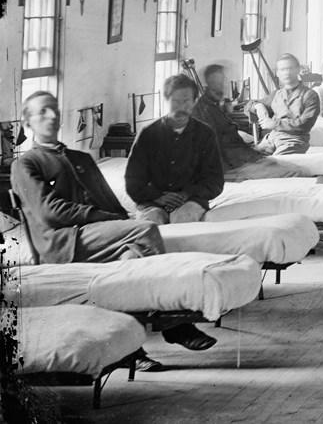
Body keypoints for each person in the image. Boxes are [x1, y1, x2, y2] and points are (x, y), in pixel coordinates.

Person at [11, 91, 216, 353]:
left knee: (130, 257)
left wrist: (120, 220)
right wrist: (108, 219)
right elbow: (49, 213)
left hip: (93, 235)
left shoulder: (81, 158)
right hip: (62, 240)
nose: (51, 115)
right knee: (145, 231)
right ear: (27, 123)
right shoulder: (25, 164)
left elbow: (109, 202)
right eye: (42, 111)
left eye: (54, 109)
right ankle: (174, 325)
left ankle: (131, 349)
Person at [125, 73, 224, 225]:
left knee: (183, 219)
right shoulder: (148, 133)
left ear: (194, 102)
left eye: (186, 102)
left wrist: (187, 194)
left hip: (191, 200)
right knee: (151, 223)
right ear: (166, 100)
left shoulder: (205, 134)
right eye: (175, 102)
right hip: (152, 201)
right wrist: (158, 196)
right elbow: (133, 180)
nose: (181, 108)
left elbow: (215, 181)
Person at [192, 63, 308, 181]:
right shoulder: (203, 110)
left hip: (245, 157)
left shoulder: (308, 96)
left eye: (222, 82)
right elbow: (219, 150)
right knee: (294, 173)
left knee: (296, 168)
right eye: (215, 83)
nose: (220, 87)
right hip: (233, 167)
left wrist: (255, 156)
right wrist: (258, 106)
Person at [253, 54, 320, 154]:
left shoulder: (310, 95)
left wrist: (274, 124)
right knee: (248, 160)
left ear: (298, 70)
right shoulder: (276, 94)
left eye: (290, 68)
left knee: (277, 165)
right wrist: (257, 106)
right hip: (271, 139)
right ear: (278, 73)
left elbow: (305, 125)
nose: (287, 73)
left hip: (293, 140)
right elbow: (250, 104)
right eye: (283, 69)